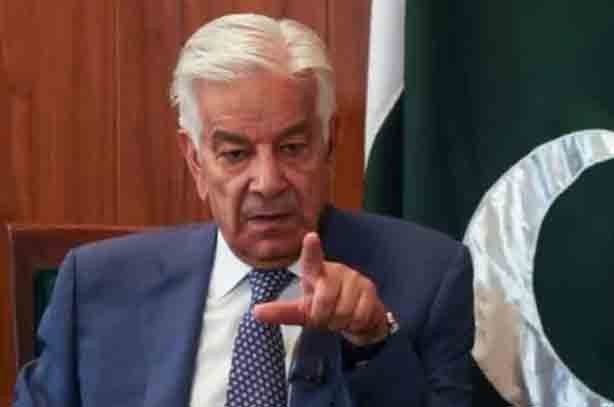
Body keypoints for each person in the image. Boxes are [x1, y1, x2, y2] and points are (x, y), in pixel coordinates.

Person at [14, 13, 473, 407]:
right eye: (235, 154)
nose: (268, 183)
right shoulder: (97, 285)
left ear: (329, 143)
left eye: (292, 148)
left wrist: (372, 341)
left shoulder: (428, 277)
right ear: (196, 160)